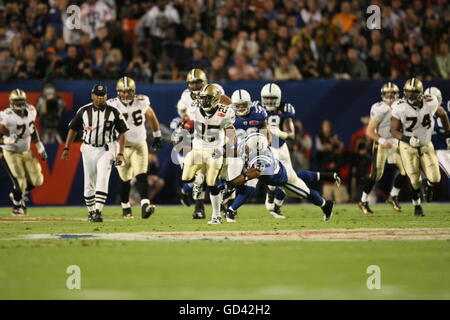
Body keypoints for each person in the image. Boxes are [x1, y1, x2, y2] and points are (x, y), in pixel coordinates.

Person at [227, 133, 334, 221]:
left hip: (286, 181)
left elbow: (254, 173)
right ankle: (325, 179)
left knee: (307, 194)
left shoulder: (262, 159)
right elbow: (237, 152)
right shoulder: (257, 151)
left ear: (257, 149)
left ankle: (326, 204)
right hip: (280, 170)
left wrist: (232, 183)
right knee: (299, 179)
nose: (245, 149)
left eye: (247, 148)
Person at [61, 84, 129, 222]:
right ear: (92, 96)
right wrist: (66, 148)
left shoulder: (114, 112)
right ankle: (91, 212)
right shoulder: (83, 111)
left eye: (102, 95)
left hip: (107, 148)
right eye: (97, 95)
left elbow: (122, 132)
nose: (100, 98)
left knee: (102, 178)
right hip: (88, 148)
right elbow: (73, 128)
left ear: (106, 96)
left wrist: (120, 153)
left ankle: (98, 211)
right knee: (89, 183)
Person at [391, 78, 450, 216]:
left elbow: (443, 114)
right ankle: (417, 206)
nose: (409, 95)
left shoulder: (430, 102)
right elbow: (393, 130)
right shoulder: (399, 106)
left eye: (413, 92)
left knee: (435, 178)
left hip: (425, 144)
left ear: (420, 92)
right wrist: (407, 139)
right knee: (414, 179)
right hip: (407, 147)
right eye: (407, 92)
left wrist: (448, 134)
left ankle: (429, 186)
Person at [107, 76, 162, 219]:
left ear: (134, 91)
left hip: (139, 144)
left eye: (128, 91)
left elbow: (151, 116)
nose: (125, 94)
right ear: (118, 92)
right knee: (125, 178)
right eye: (123, 91)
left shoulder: (142, 101)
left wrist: (157, 135)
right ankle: (125, 206)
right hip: (121, 147)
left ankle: (145, 205)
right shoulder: (112, 105)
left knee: (141, 174)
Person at [181, 84, 236, 224]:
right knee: (186, 178)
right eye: (203, 98)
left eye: (208, 99)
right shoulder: (194, 108)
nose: (204, 101)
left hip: (215, 150)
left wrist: (229, 147)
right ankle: (198, 181)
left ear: (216, 99)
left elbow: (230, 130)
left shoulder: (225, 111)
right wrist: (186, 126)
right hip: (198, 149)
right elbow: (187, 120)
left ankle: (216, 216)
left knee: (212, 182)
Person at [358, 82, 408, 214]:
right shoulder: (380, 108)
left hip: (396, 142)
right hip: (382, 142)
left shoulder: (402, 106)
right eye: (387, 93)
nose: (390, 95)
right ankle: (363, 201)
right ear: (383, 94)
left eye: (392, 93)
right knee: (376, 175)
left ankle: (393, 196)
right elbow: (369, 131)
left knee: (407, 169)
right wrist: (382, 140)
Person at [0, 89, 47, 216]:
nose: (20, 103)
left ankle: (17, 193)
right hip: (10, 152)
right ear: (11, 102)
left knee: (38, 180)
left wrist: (40, 147)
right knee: (20, 182)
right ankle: (17, 206)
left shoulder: (31, 110)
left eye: (22, 101)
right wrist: (8, 140)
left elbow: (32, 129)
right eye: (17, 101)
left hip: (26, 151)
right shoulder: (6, 116)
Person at [258, 83, 296, 218]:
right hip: (266, 146)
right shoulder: (256, 108)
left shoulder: (285, 109)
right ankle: (270, 190)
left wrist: (279, 132)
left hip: (280, 145)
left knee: (289, 178)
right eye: (266, 98)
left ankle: (277, 206)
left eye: (272, 98)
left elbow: (292, 135)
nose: (269, 101)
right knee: (273, 177)